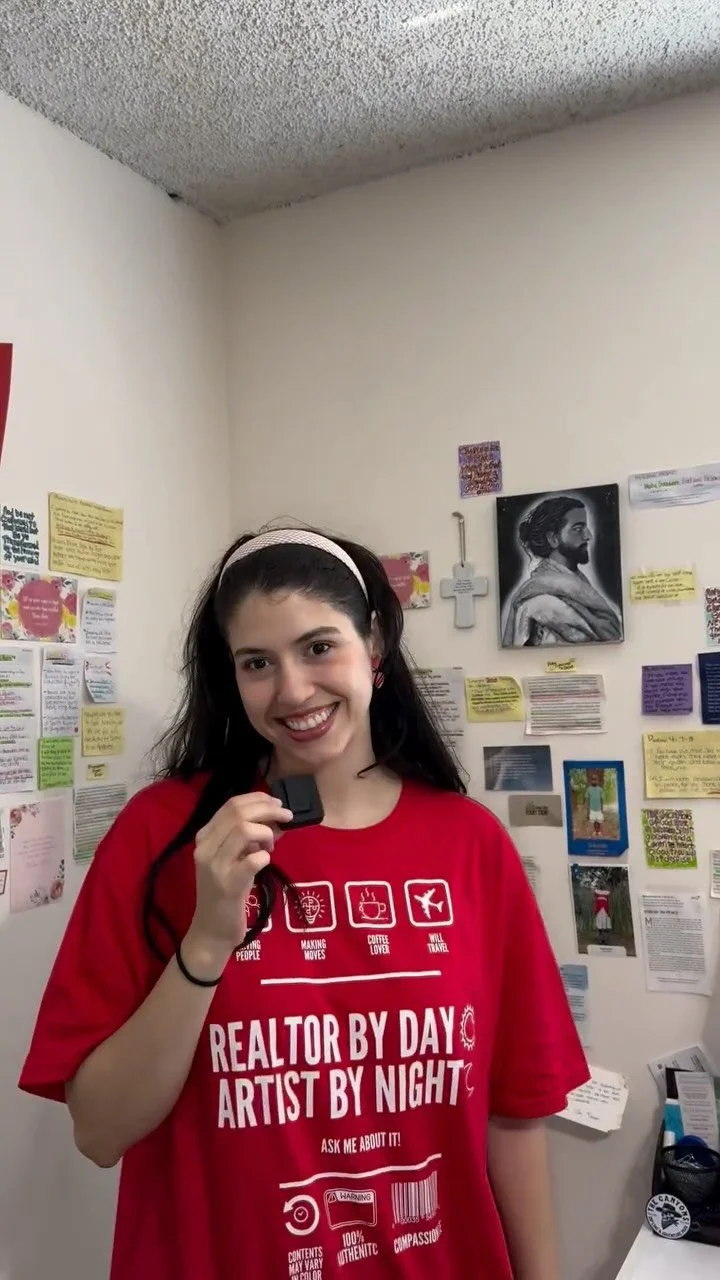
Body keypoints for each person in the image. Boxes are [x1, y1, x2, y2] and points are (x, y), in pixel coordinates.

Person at [20, 526, 589, 1280]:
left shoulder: (470, 843)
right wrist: (206, 942)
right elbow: (99, 1131)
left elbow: (515, 1118)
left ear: (374, 643)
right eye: (258, 663)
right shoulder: (164, 835)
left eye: (319, 647)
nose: (292, 691)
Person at [501, 496, 623, 647]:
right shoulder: (541, 604)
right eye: (577, 529)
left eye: (586, 528)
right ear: (553, 538)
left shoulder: (577, 583)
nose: (588, 536)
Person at [586, 771, 605, 837]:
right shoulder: (588, 789)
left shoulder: (600, 789)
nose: (594, 781)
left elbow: (601, 800)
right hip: (592, 809)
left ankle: (599, 831)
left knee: (599, 821)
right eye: (592, 779)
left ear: (598, 780)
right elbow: (588, 800)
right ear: (591, 781)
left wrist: (602, 809)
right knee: (594, 821)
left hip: (599, 809)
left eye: (595, 779)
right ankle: (594, 831)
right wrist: (588, 810)